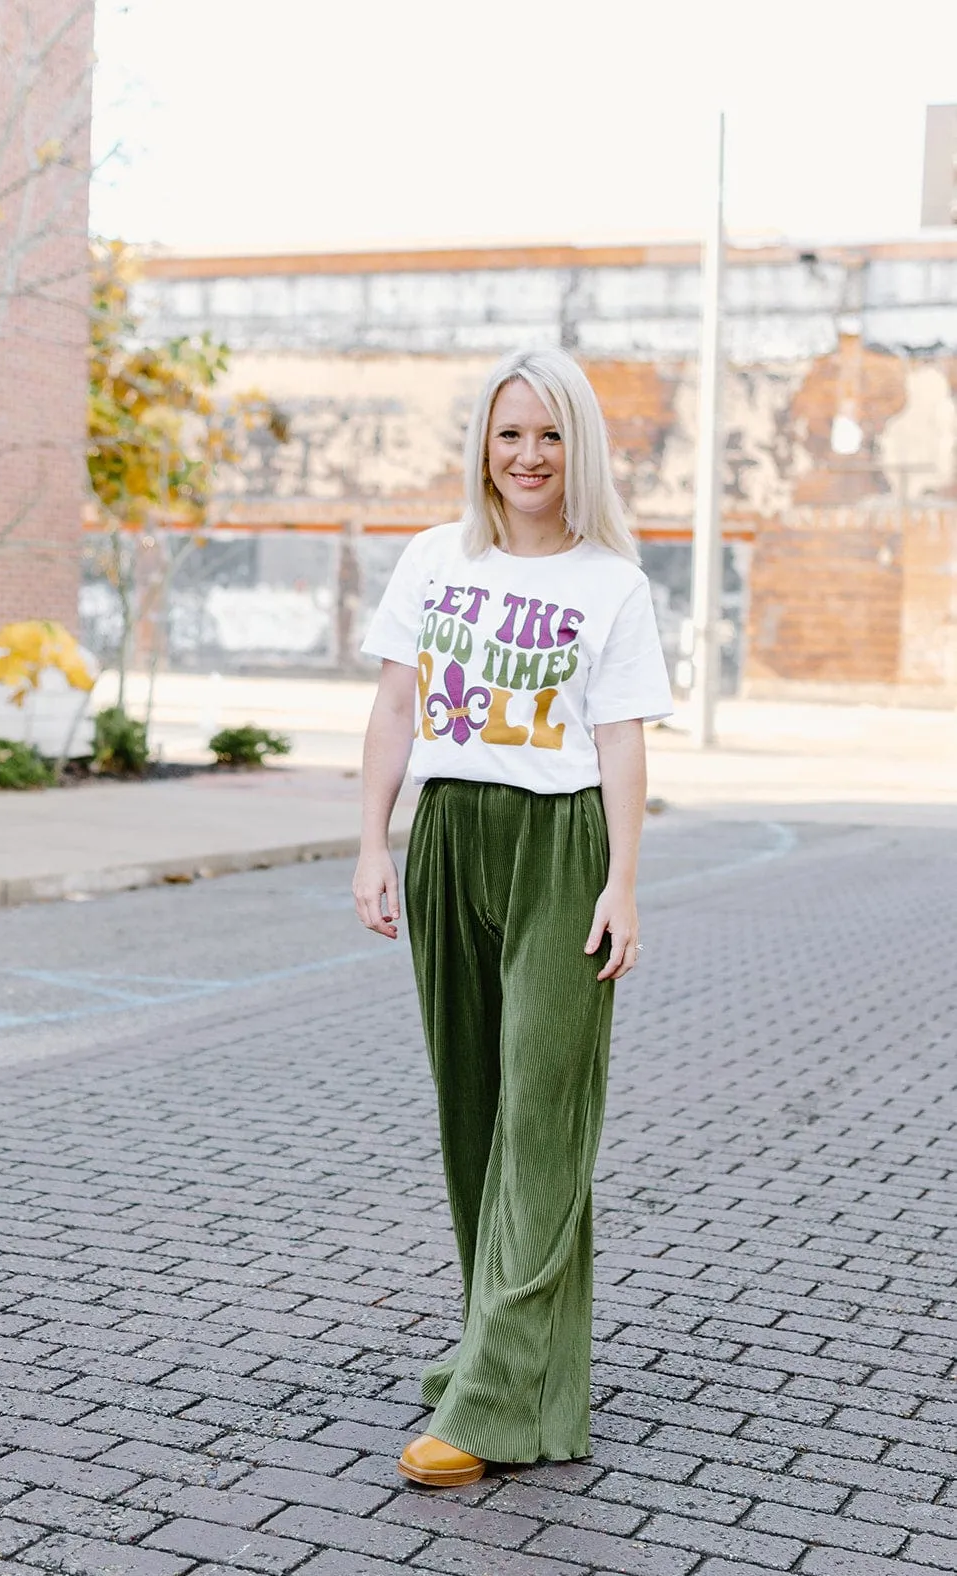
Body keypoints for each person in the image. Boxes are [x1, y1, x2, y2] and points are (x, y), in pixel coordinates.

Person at [353, 347, 673, 1487]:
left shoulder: (611, 583)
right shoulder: (434, 559)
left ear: (574, 448)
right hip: (449, 837)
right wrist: (370, 841)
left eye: (547, 436)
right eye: (508, 435)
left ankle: (492, 1399)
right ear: (481, 448)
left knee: (544, 1112)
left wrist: (620, 879)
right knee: (475, 1113)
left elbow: (622, 737)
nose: (527, 456)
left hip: (559, 844)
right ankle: (511, 1358)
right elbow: (395, 704)